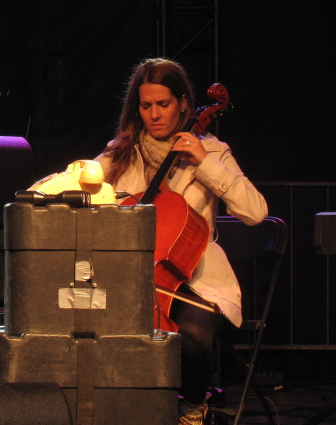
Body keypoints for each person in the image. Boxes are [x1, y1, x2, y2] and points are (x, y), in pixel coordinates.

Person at [94, 58, 268, 425]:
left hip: (197, 278)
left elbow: (255, 211)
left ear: (185, 104)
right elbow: (76, 182)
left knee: (192, 337)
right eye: (146, 106)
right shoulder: (123, 151)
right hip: (133, 275)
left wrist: (204, 162)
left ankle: (191, 408)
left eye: (164, 104)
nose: (155, 114)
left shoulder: (213, 151)